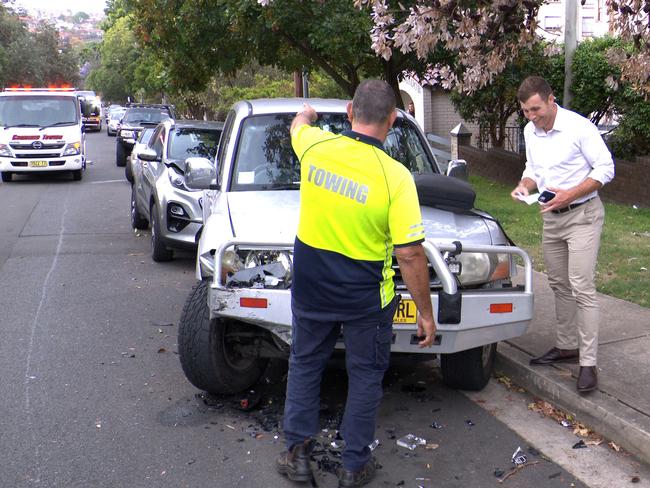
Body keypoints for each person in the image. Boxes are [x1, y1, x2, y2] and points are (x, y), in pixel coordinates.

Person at [276, 80, 437, 487]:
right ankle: (353, 465)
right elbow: (410, 253)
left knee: (305, 364)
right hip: (366, 297)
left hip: (312, 287)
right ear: (394, 120)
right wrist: (425, 312)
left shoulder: (314, 147)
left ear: (350, 111)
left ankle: (298, 456)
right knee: (365, 375)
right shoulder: (396, 177)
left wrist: (309, 113)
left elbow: (298, 124)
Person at [510, 76, 615, 393]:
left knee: (582, 286)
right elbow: (533, 168)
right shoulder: (530, 130)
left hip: (582, 215)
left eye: (536, 109)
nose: (531, 117)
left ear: (551, 99)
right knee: (559, 283)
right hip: (551, 218)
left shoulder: (579, 128)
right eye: (526, 111)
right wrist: (525, 185)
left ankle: (588, 363)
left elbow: (605, 168)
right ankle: (568, 346)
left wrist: (570, 193)